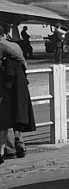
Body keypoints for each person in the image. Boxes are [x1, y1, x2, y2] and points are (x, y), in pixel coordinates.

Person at [0, 23, 35, 164]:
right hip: (19, 82)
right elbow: (23, 63)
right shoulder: (14, 45)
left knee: (4, 115)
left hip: (7, 82)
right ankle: (20, 146)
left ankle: (8, 150)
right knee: (17, 111)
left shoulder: (1, 45)